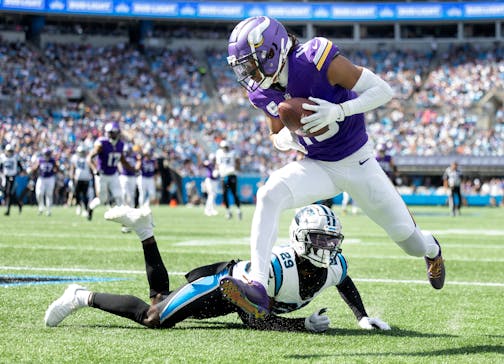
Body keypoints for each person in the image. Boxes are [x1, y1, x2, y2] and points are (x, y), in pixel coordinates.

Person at [223, 16, 445, 318]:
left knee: (409, 241)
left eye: (251, 64)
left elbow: (383, 91)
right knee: (269, 194)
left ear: (272, 51)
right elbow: (275, 134)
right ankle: (258, 286)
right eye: (243, 67)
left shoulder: (315, 58)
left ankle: (433, 251)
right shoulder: (261, 91)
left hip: (358, 161)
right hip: (318, 165)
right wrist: (286, 139)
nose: (248, 73)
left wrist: (340, 110)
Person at [44, 204, 390, 332]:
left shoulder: (332, 264)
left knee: (160, 299)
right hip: (221, 285)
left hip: (232, 298)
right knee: (153, 317)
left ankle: (145, 230)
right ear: (300, 239)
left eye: (331, 240)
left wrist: (360, 315)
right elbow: (254, 318)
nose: (328, 249)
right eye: (320, 239)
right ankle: (79, 296)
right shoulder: (275, 268)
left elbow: (343, 278)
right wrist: (303, 325)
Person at [87, 122, 135, 212]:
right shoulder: (101, 144)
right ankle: (90, 208)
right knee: (102, 200)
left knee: (119, 196)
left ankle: (123, 219)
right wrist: (94, 169)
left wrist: (133, 169)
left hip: (113, 174)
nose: (111, 134)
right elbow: (89, 158)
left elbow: (122, 160)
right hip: (102, 174)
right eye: (110, 132)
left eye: (112, 132)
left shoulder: (120, 144)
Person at [216, 140, 242, 220]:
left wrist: (236, 169)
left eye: (226, 147)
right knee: (224, 194)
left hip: (232, 175)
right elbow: (217, 164)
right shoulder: (219, 153)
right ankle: (228, 211)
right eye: (224, 147)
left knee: (234, 193)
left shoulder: (233, 153)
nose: (225, 149)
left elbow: (238, 162)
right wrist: (217, 170)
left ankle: (238, 210)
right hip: (224, 176)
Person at [30, 147, 58, 216]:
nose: (47, 156)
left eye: (48, 154)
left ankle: (48, 210)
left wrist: (55, 172)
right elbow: (34, 169)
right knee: (39, 193)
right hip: (41, 178)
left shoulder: (52, 160)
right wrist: (35, 168)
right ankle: (41, 206)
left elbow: (57, 168)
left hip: (50, 178)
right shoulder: (40, 160)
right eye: (46, 154)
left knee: (49, 194)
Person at [70, 145, 93, 220]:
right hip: (78, 178)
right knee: (76, 193)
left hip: (86, 178)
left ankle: (86, 209)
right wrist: (72, 176)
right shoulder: (75, 158)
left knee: (85, 195)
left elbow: (91, 167)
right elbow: (73, 167)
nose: (82, 153)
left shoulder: (87, 158)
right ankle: (79, 206)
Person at [1, 144, 24, 216]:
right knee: (8, 193)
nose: (10, 152)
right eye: (9, 151)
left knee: (9, 193)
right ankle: (19, 204)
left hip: (12, 177)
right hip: (5, 177)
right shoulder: (2, 157)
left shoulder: (15, 157)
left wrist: (20, 172)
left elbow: (20, 167)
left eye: (11, 151)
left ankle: (8, 210)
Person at [119, 144, 139, 209]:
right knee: (124, 192)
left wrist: (136, 168)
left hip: (132, 176)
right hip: (124, 176)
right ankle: (123, 206)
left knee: (132, 193)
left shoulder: (134, 156)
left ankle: (131, 207)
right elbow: (119, 163)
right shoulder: (123, 156)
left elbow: (138, 162)